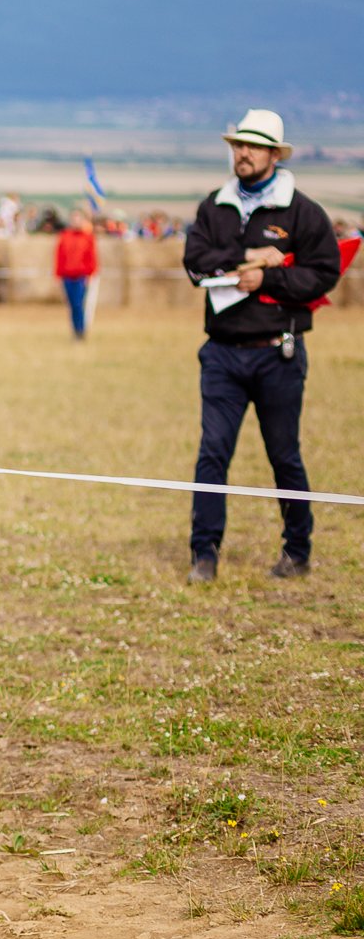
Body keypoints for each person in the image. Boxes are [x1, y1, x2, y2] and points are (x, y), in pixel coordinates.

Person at [181, 109, 342, 583]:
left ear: (274, 154)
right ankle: (204, 553)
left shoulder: (303, 212)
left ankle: (297, 549)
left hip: (278, 353)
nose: (243, 153)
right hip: (222, 352)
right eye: (238, 145)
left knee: (283, 454)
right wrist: (246, 257)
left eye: (253, 146)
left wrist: (268, 280)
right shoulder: (214, 206)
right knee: (213, 452)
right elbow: (195, 261)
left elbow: (323, 273)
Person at [54, 210, 98, 339]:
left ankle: (81, 330)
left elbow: (92, 257)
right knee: (72, 304)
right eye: (74, 219)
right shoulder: (65, 236)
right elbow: (60, 256)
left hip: (81, 276)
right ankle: (74, 330)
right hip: (67, 275)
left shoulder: (87, 237)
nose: (76, 221)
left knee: (79, 303)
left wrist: (90, 273)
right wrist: (58, 274)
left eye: (78, 219)